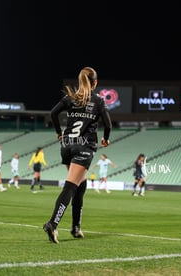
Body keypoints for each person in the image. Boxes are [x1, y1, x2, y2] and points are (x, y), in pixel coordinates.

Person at [43, 66, 112, 244]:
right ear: (95, 82)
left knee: (80, 185)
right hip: (84, 146)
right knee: (71, 186)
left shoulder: (71, 97)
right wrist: (105, 138)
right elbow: (108, 124)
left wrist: (59, 132)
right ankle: (52, 224)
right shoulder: (97, 100)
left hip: (67, 145)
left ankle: (75, 227)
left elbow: (53, 113)